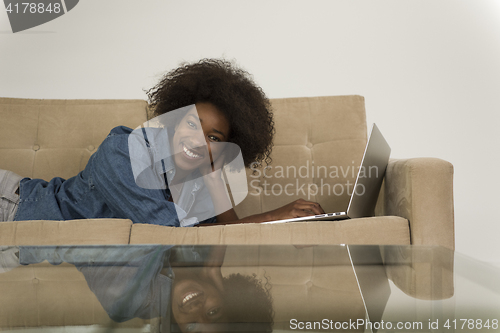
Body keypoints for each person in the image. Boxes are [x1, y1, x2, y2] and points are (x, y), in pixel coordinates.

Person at [0, 59, 325, 226]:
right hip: (13, 205)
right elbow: (166, 231)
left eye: (215, 137)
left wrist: (214, 172)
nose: (199, 140)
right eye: (191, 124)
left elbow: (223, 240)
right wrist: (270, 216)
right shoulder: (122, 150)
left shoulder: (192, 184)